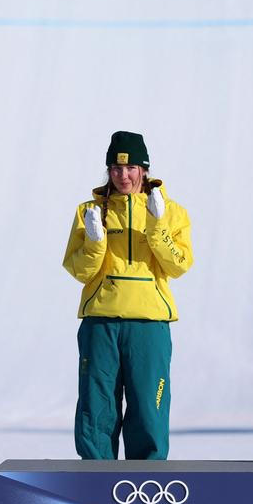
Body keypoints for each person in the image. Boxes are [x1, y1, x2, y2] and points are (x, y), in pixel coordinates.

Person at [62, 131, 193, 460]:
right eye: (116, 168)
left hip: (149, 324)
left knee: (149, 405)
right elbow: (79, 271)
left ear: (144, 169)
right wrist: (94, 241)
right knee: (97, 404)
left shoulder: (172, 212)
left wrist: (157, 225)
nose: (124, 176)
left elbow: (178, 265)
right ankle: (95, 478)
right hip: (101, 322)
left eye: (131, 167)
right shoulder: (89, 211)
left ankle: (147, 479)